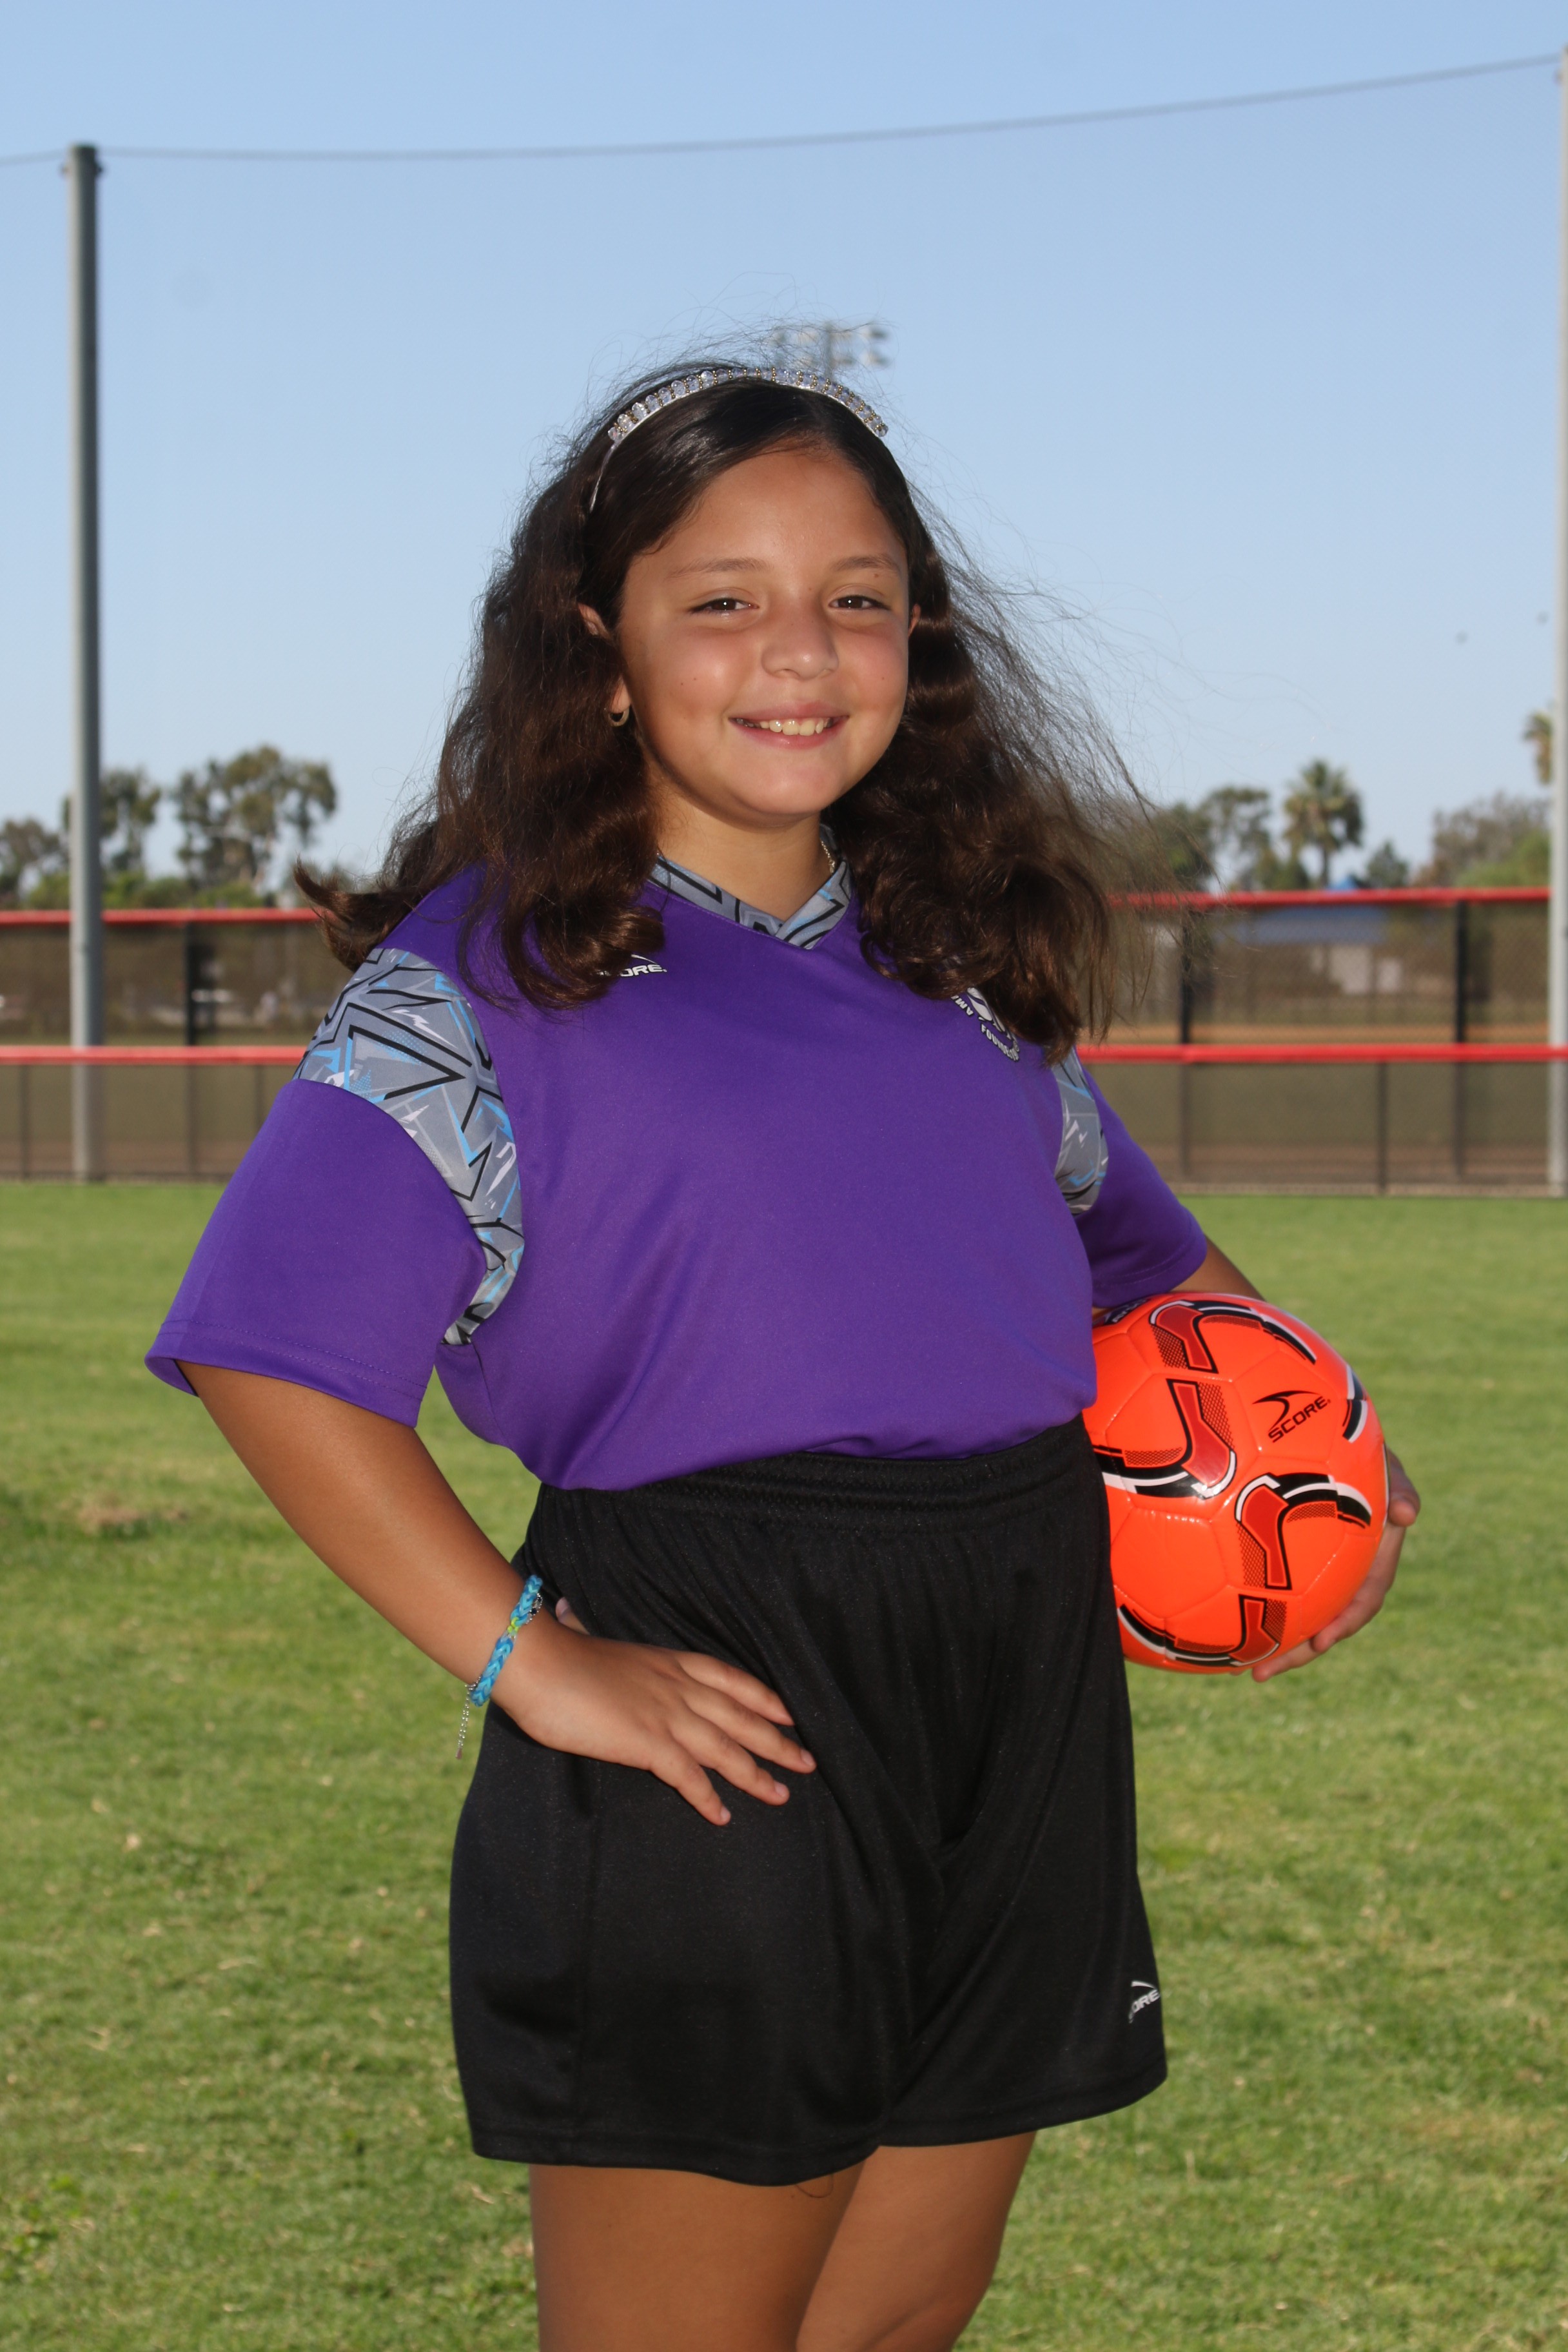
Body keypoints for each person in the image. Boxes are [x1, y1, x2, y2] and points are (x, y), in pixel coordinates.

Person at [146, 362, 1419, 2352]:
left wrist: (1317, 1463)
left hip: (1016, 1666)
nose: (801, 654)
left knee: (898, 2320)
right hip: (727, 1683)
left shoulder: (959, 970)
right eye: (723, 601)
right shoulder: (488, 982)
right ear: (599, 645)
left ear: (921, 632)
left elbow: (1153, 1274)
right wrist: (531, 1660)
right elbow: (273, 1357)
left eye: (857, 598)